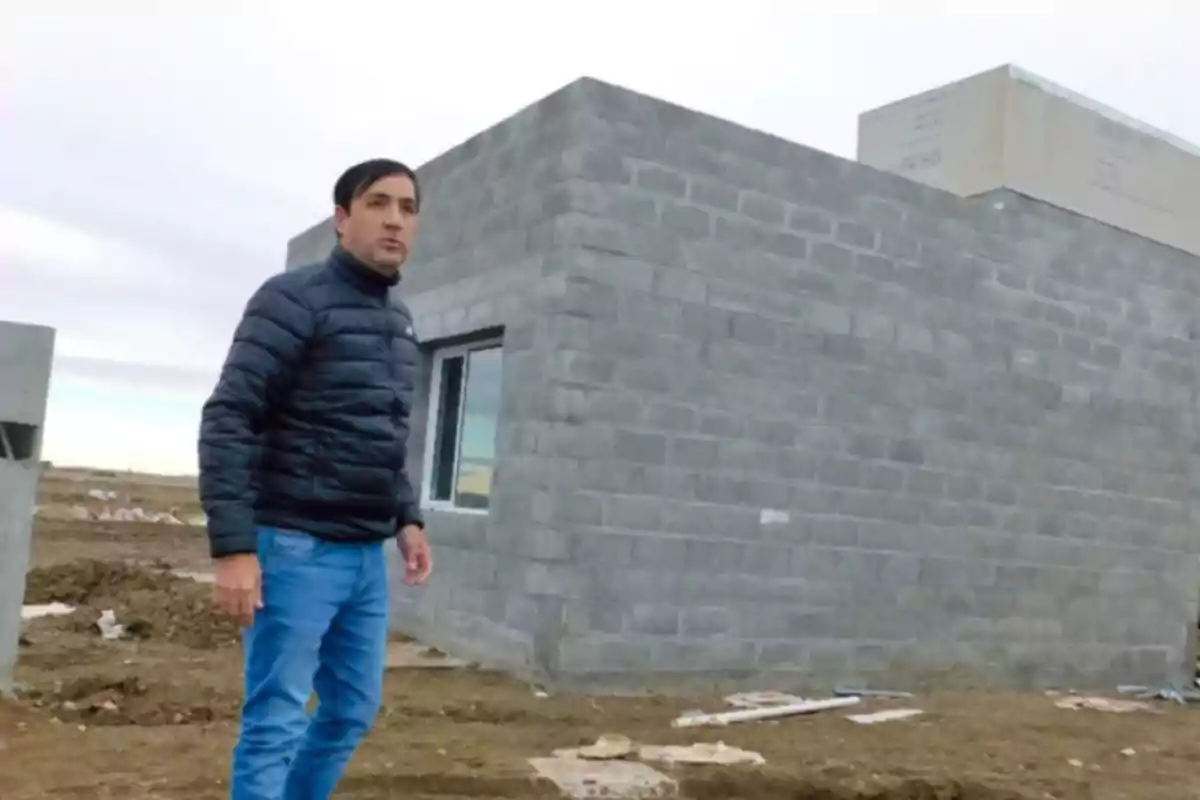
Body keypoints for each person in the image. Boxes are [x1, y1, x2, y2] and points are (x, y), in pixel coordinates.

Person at [198, 158, 433, 800]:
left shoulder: (399, 320)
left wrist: (407, 517)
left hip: (364, 555)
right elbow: (229, 417)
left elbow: (382, 433)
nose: (394, 219)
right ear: (341, 217)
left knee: (350, 711)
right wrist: (235, 548)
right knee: (275, 719)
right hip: (295, 547)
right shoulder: (291, 299)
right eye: (378, 203)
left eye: (408, 208)